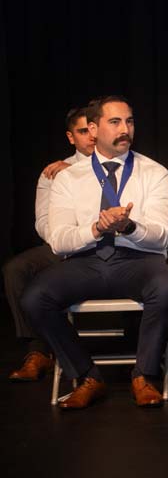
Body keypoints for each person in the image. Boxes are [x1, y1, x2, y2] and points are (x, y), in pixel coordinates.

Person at [21, 96, 168, 409]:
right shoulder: (68, 178)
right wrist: (95, 229)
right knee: (34, 298)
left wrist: (129, 226)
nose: (125, 129)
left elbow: (161, 237)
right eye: (115, 122)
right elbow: (59, 241)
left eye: (130, 121)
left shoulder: (154, 173)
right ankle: (87, 375)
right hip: (86, 262)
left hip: (138, 261)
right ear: (92, 129)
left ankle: (144, 375)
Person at [5, 107, 95, 381]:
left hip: (101, 244)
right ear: (71, 137)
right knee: (16, 269)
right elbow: (43, 222)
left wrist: (78, 171)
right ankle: (38, 350)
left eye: (92, 129)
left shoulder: (114, 165)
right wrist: (61, 240)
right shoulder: (52, 172)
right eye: (82, 131)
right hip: (62, 246)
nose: (90, 137)